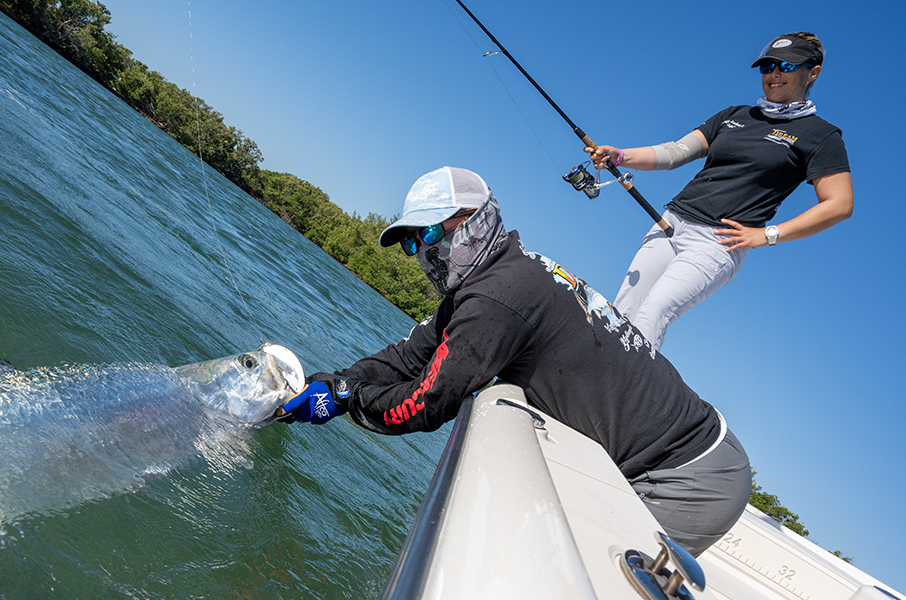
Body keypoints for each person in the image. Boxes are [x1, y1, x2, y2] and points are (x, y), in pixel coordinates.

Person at [278, 166, 750, 556]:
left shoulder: (497, 296)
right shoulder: (496, 276)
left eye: (428, 233)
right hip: (668, 458)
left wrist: (348, 399)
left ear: (477, 218)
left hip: (688, 474)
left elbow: (426, 403)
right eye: (411, 243)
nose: (423, 253)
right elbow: (408, 356)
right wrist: (336, 383)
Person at [585, 32, 853, 350]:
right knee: (621, 312)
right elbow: (675, 153)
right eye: (767, 67)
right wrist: (619, 155)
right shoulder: (734, 115)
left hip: (717, 244)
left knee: (652, 315)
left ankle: (622, 398)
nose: (774, 74)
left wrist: (767, 235)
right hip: (670, 223)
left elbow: (839, 204)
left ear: (813, 72)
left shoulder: (820, 136)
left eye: (786, 66)